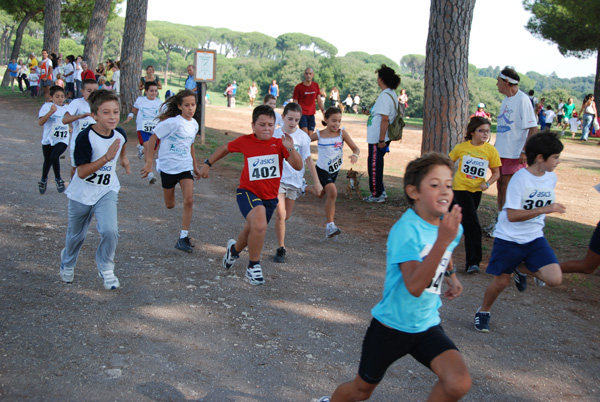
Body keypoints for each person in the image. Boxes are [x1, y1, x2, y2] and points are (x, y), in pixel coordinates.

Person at [318, 153, 470, 402]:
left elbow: (446, 251)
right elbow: (414, 286)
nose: (444, 190)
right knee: (361, 391)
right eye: (434, 184)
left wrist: (452, 275)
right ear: (414, 191)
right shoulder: (405, 230)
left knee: (458, 382)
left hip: (426, 325)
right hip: (391, 328)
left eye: (448, 184)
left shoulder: (450, 226)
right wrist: (442, 241)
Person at [199, 105, 302, 285]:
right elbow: (225, 148)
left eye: (270, 125)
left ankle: (233, 251)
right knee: (260, 224)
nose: (267, 128)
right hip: (248, 192)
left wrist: (291, 149)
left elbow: (298, 166)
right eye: (262, 124)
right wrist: (208, 163)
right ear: (253, 126)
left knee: (252, 230)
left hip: (269, 197)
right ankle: (253, 266)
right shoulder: (245, 141)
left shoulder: (279, 144)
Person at [474, 132, 565, 333]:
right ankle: (483, 311)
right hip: (509, 239)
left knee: (554, 278)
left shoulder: (551, 178)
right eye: (555, 157)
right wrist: (544, 210)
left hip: (534, 238)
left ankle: (521, 268)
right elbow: (513, 215)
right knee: (500, 282)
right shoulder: (519, 179)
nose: (558, 162)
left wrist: (542, 212)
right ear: (540, 158)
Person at [59, 89, 130, 290]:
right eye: (106, 112)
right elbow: (81, 173)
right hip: (82, 193)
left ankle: (107, 269)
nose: (112, 117)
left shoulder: (120, 134)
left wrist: (123, 159)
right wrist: (106, 158)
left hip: (106, 191)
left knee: (110, 231)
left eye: (115, 112)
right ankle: (68, 261)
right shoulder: (85, 137)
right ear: (94, 115)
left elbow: (121, 144)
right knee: (76, 236)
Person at [141, 90, 200, 253]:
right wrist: (149, 163)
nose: (190, 108)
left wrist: (195, 166)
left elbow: (191, 145)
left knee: (189, 200)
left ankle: (183, 237)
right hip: (168, 167)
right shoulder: (172, 123)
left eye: (193, 105)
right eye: (187, 105)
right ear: (180, 106)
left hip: (185, 166)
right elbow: (153, 139)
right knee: (170, 205)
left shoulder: (194, 124)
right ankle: (182, 235)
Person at [488, 67, 538, 237]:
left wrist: (525, 150)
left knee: (510, 188)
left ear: (507, 82)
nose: (497, 84)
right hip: (501, 152)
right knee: (500, 186)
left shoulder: (523, 100)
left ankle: (509, 223)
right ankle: (501, 219)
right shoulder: (506, 101)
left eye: (499, 81)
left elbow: (533, 128)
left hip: (515, 154)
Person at [449, 116, 501, 274]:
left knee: (458, 222)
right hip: (460, 188)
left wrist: (488, 183)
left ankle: (441, 255)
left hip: (476, 191)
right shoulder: (462, 147)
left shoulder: (490, 150)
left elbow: (497, 172)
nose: (485, 134)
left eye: (488, 131)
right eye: (481, 131)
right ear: (472, 132)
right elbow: (448, 161)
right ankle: (473, 262)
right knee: (472, 224)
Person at [272, 103, 322, 263]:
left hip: (295, 181)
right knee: (281, 214)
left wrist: (317, 182)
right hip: (278, 179)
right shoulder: (274, 134)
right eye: (290, 119)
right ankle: (281, 248)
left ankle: (280, 225)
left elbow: (308, 160)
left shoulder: (303, 138)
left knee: (286, 216)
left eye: (296, 120)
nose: (292, 122)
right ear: (283, 117)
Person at [309, 106, 360, 238]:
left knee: (320, 194)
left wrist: (355, 155)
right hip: (321, 169)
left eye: (339, 121)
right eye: (333, 121)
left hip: (334, 170)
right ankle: (330, 226)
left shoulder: (342, 133)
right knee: (333, 191)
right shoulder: (319, 134)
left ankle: (303, 187)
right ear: (326, 119)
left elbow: (356, 148)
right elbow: (304, 142)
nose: (336, 124)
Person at [364, 64, 401, 203]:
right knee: (377, 164)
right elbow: (381, 115)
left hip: (378, 138)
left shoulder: (385, 96)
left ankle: (376, 194)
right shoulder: (390, 94)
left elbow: (385, 119)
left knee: (374, 165)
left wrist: (381, 140)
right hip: (379, 137)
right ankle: (380, 191)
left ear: (381, 79)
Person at [124, 81, 163, 184]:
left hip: (155, 130)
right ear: (146, 91)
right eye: (151, 91)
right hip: (143, 128)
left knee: (151, 152)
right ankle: (150, 174)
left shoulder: (159, 103)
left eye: (155, 91)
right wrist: (130, 116)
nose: (154, 93)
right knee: (148, 148)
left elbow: (164, 115)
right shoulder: (140, 100)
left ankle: (140, 151)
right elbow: (135, 109)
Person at [63, 78, 99, 178]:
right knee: (76, 168)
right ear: (82, 92)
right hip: (78, 143)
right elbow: (65, 120)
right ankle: (72, 187)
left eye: (95, 91)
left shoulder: (101, 105)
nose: (92, 93)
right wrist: (80, 116)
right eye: (89, 91)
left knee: (93, 169)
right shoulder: (77, 103)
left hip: (95, 143)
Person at [38, 85, 69, 194]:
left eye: (62, 96)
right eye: (57, 96)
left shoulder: (67, 108)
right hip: (48, 139)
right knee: (48, 160)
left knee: (54, 156)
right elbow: (40, 123)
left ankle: (56, 179)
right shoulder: (47, 107)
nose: (60, 98)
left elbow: (70, 120)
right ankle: (46, 179)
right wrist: (50, 112)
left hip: (62, 139)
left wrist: (70, 128)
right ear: (51, 97)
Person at [293, 68, 325, 136]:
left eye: (310, 74)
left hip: (311, 114)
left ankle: (306, 146)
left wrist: (323, 110)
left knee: (310, 137)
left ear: (313, 75)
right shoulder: (298, 87)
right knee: (305, 135)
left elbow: (319, 99)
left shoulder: (316, 85)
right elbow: (295, 101)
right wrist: (295, 113)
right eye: (306, 73)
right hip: (302, 114)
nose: (308, 75)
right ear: (304, 75)